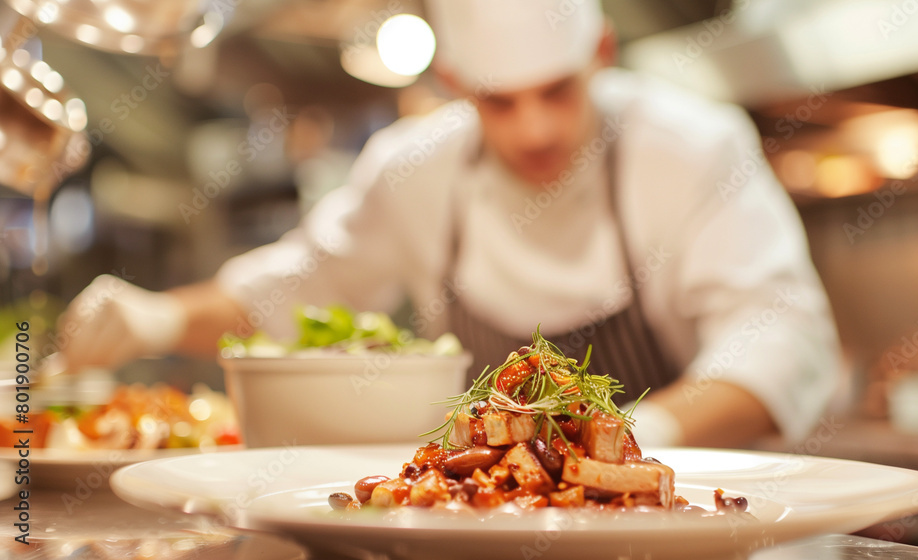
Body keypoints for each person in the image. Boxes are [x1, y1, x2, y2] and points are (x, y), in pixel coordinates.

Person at [57, 0, 842, 448]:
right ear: (458, 84)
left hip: (678, 518)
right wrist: (158, 315)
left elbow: (778, 334)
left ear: (600, 52)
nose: (533, 130)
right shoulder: (415, 169)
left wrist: (639, 434)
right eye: (500, 102)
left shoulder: (693, 146)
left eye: (557, 92)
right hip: (490, 521)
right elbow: (298, 289)